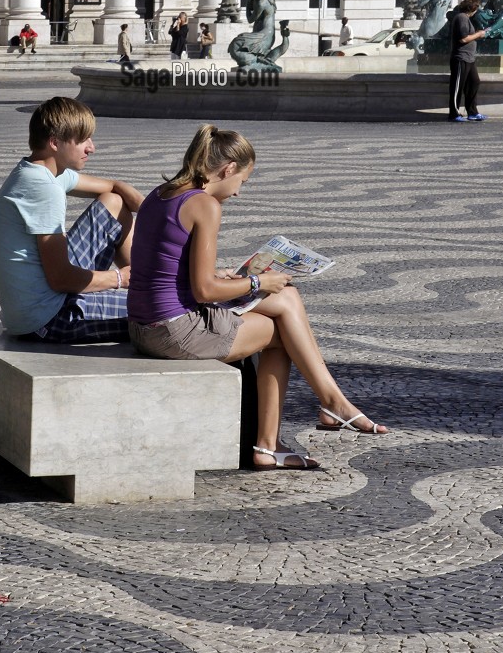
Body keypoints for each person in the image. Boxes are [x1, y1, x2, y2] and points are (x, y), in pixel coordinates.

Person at [127, 125, 387, 471]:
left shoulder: (162, 193)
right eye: (243, 182)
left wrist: (235, 278)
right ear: (228, 168)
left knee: (287, 297)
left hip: (144, 325)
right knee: (282, 337)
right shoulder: (204, 204)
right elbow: (204, 291)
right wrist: (254, 282)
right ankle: (279, 438)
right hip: (173, 331)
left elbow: (172, 271)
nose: (238, 193)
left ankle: (331, 404)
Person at [0, 97, 143, 345]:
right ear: (54, 143)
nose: (91, 148)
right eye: (82, 140)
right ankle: (152, 288)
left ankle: (152, 283)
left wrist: (143, 205)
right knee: (161, 311)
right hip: (49, 319)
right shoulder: (43, 188)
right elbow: (60, 279)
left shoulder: (39, 170)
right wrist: (120, 279)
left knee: (114, 202)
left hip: (43, 303)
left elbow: (113, 189)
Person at [449, 0, 488, 122]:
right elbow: (464, 38)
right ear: (473, 9)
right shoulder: (461, 18)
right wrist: (479, 34)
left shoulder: (465, 18)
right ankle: (454, 113)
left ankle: (472, 112)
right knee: (457, 86)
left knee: (474, 82)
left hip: (469, 58)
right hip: (461, 58)